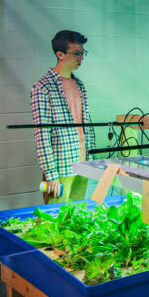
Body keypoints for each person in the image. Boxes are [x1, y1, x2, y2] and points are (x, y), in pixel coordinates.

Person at [31, 30, 96, 203]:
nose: (81, 58)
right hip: (61, 165)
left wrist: (93, 162)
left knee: (77, 215)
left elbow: (86, 125)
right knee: (54, 219)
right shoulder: (43, 87)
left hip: (84, 161)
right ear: (60, 54)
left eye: (83, 53)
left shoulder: (80, 85)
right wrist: (51, 174)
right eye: (76, 53)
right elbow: (42, 136)